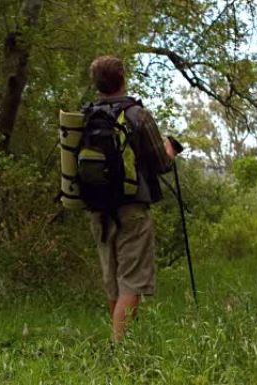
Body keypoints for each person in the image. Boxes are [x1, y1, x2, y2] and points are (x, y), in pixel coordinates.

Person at [86, 56, 176, 342]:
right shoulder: (137, 114)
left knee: (113, 284)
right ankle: (119, 350)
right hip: (132, 209)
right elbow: (162, 163)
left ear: (96, 84)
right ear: (122, 78)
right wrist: (171, 149)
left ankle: (120, 343)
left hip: (98, 209)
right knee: (131, 284)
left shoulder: (86, 116)